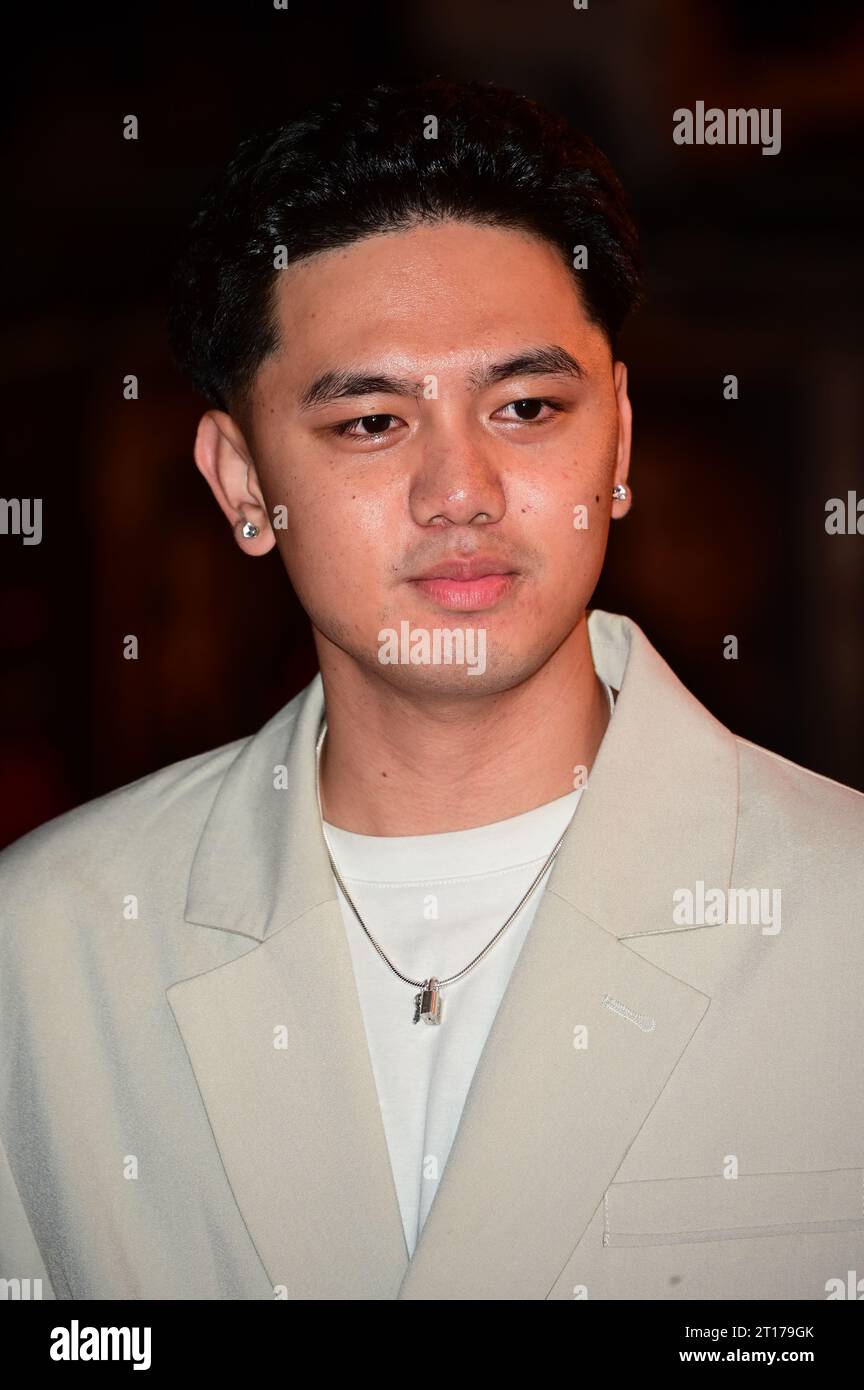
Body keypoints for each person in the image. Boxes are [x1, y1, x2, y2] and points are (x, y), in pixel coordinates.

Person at [1, 77, 861, 1302]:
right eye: (369, 422)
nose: (461, 489)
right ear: (241, 480)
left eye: (525, 407)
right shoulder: (46, 953)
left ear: (615, 440)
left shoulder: (843, 921)